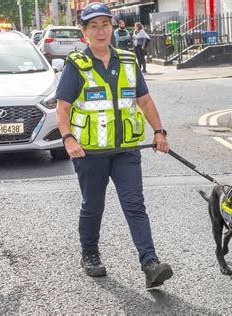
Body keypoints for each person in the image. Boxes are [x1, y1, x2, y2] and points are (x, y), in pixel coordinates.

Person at [56, 2, 173, 288]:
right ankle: (90, 253)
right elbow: (63, 108)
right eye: (93, 26)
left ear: (112, 27)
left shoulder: (129, 61)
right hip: (90, 153)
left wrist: (159, 131)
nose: (100, 31)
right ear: (84, 31)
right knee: (93, 206)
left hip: (126, 151)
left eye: (105, 25)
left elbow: (144, 100)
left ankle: (150, 263)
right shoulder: (77, 66)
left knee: (135, 206)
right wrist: (68, 138)